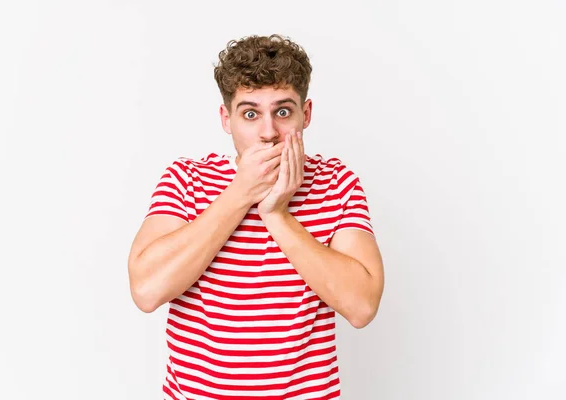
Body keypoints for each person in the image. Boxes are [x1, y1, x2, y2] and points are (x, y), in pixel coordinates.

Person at [127, 34, 385, 400]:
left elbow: (361, 307)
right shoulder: (186, 180)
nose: (268, 133)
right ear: (226, 119)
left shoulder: (337, 183)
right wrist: (240, 193)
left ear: (305, 114)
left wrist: (278, 214)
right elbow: (147, 291)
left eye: (283, 112)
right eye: (250, 113)